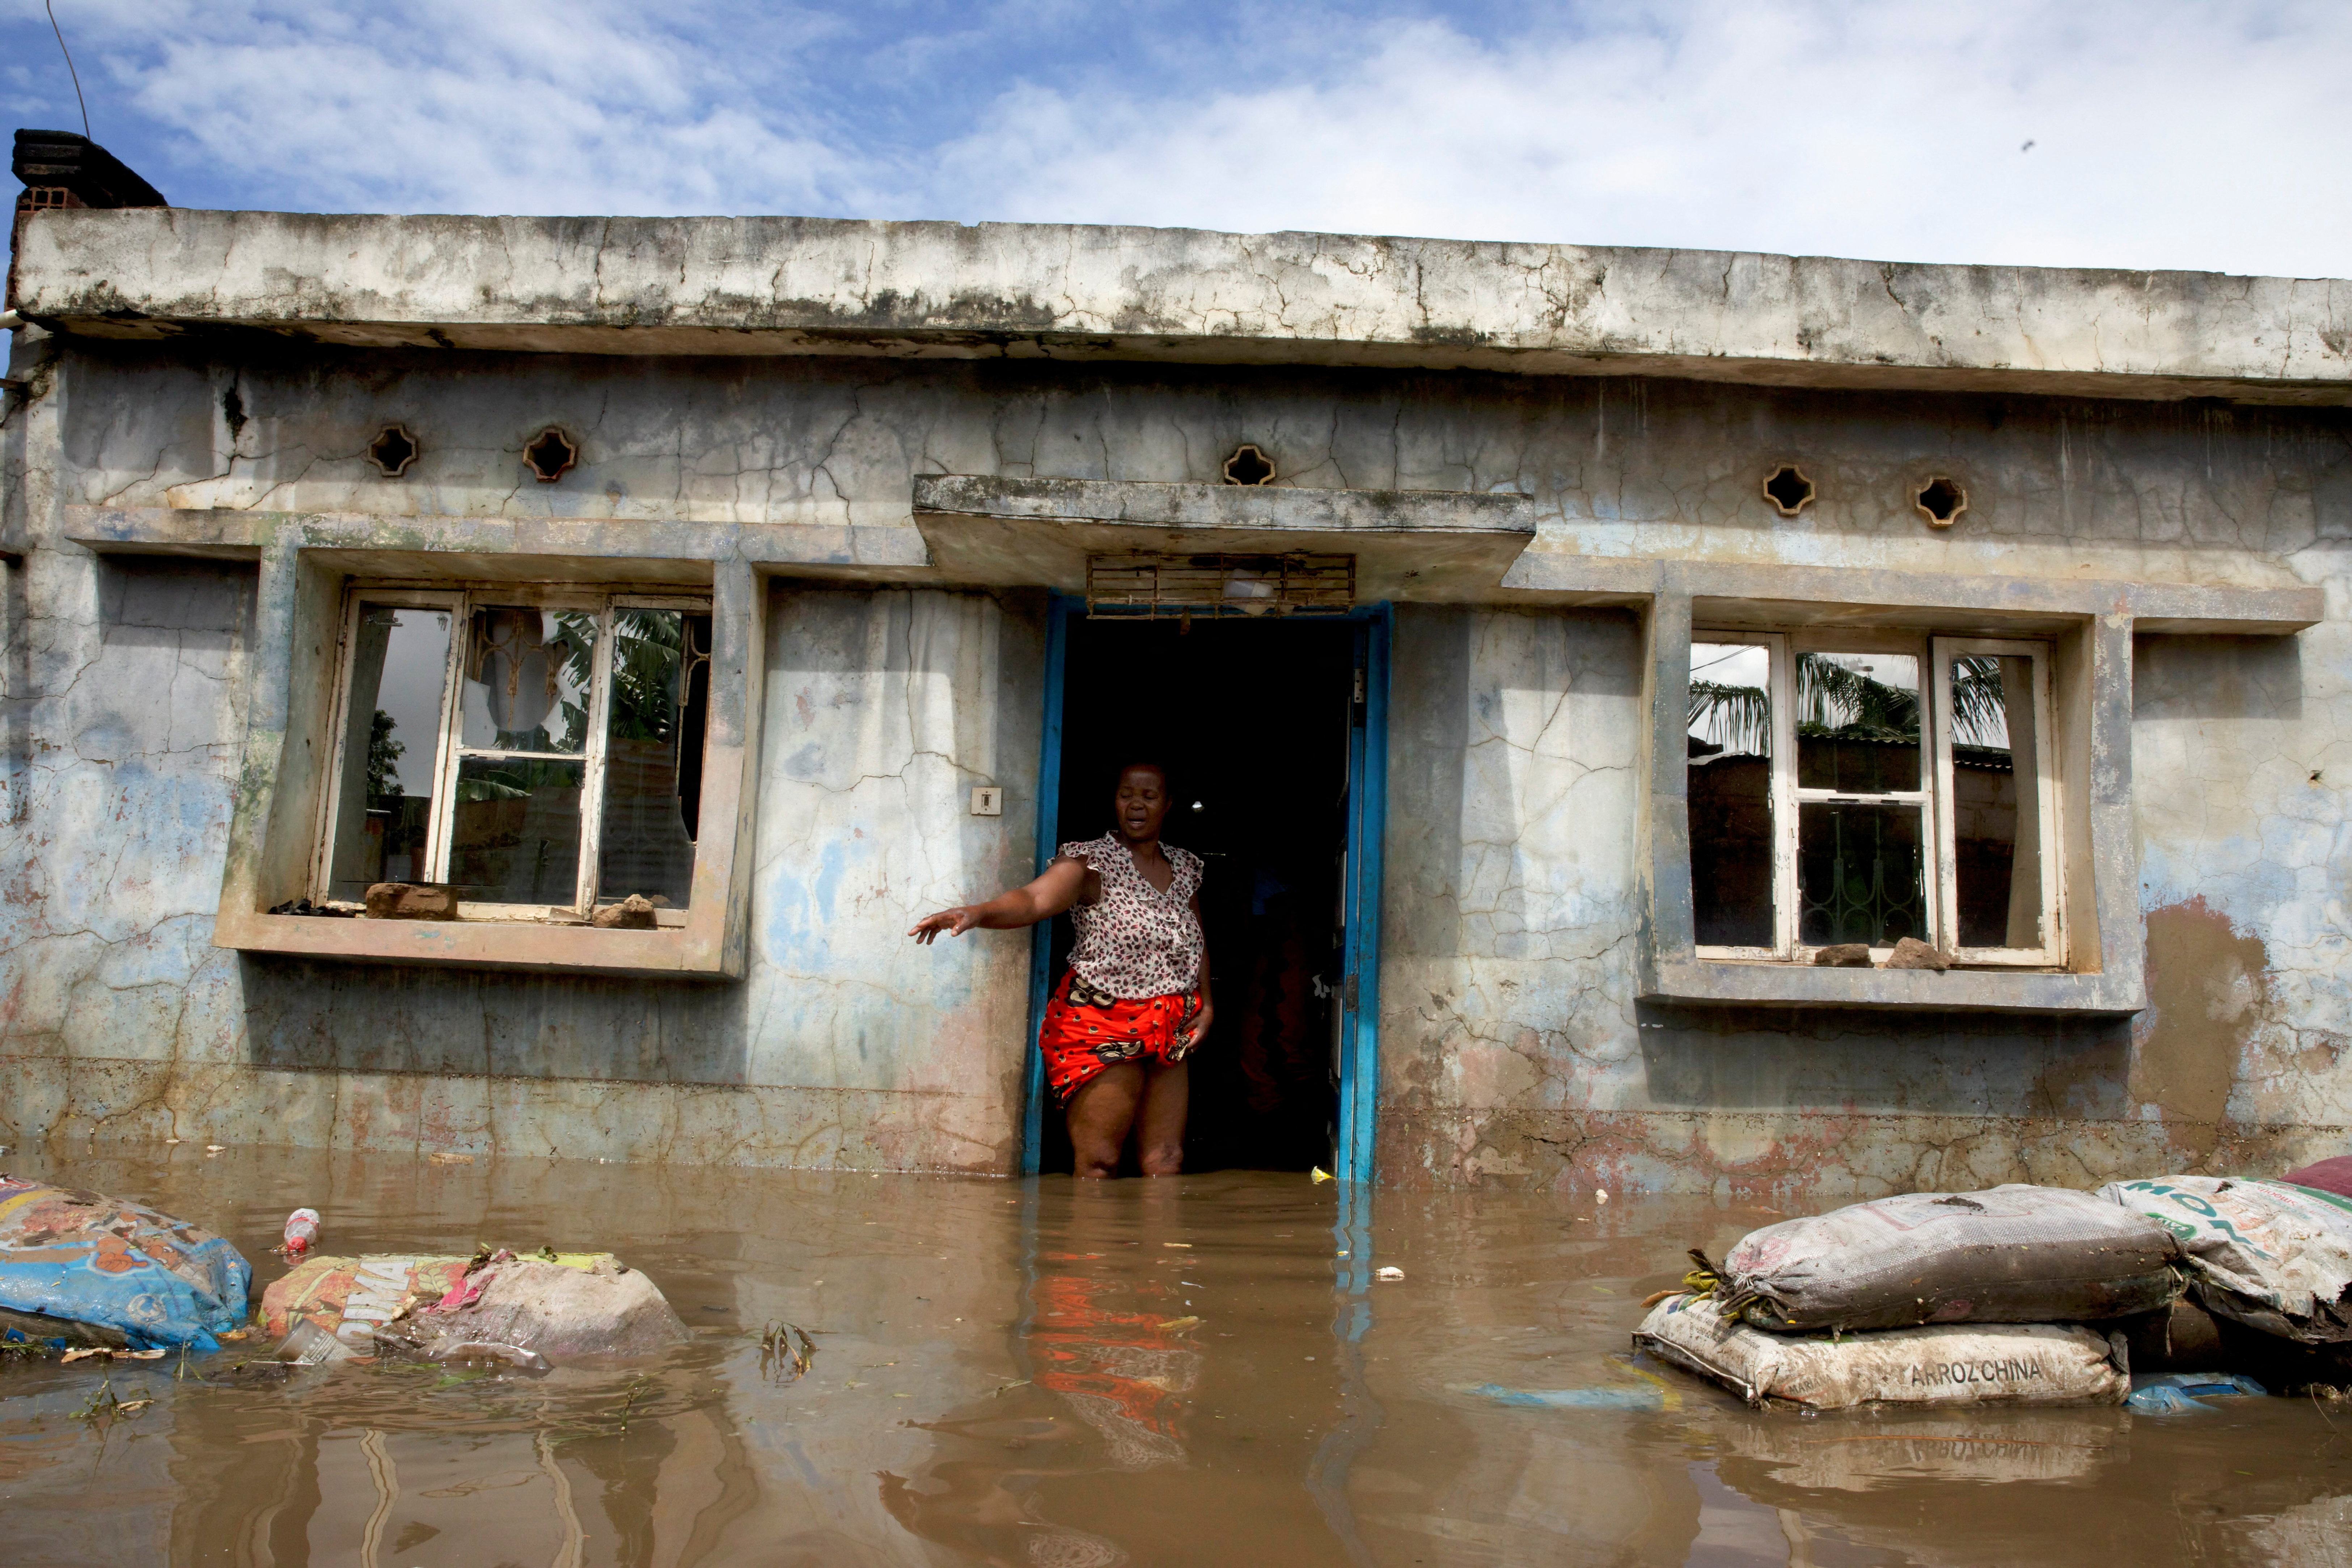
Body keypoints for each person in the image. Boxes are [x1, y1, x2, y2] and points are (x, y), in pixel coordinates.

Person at [910, 762, 1212, 1178]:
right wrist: (976, 913)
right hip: (1101, 1021)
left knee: (1166, 1163)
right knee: (1099, 1164)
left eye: (1149, 795)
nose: (1136, 805)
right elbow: (1033, 900)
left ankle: (1158, 1245)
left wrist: (1206, 1003)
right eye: (1127, 794)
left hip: (1169, 1022)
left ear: (1167, 804)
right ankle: (1086, 1242)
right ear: (1115, 801)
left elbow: (1194, 938)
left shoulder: (1185, 869)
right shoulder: (1090, 861)